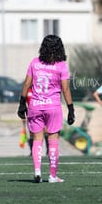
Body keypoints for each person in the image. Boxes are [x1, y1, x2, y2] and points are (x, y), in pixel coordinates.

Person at [17, 35, 75, 183]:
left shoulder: (35, 62)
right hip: (53, 107)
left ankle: (37, 171)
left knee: (37, 139)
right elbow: (66, 89)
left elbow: (26, 84)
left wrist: (22, 103)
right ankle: (52, 175)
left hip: (35, 106)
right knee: (53, 139)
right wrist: (71, 108)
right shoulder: (61, 65)